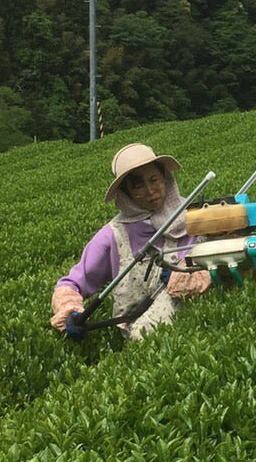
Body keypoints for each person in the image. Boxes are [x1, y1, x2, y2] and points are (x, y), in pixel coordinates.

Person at [51, 142, 211, 339]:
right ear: (125, 193)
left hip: (200, 324)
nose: (150, 190)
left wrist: (194, 279)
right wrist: (70, 312)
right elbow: (72, 283)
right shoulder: (113, 236)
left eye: (154, 180)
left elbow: (228, 262)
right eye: (138, 186)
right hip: (139, 334)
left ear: (165, 178)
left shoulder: (195, 218)